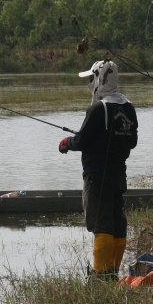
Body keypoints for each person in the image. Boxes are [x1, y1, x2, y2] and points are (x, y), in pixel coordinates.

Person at [59, 59, 139, 277]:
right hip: (118, 174)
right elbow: (131, 142)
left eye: (92, 78)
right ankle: (112, 271)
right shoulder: (128, 108)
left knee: (101, 223)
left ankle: (101, 275)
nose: (90, 83)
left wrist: (66, 142)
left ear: (99, 78)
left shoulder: (98, 109)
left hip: (97, 176)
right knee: (116, 221)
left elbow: (82, 141)